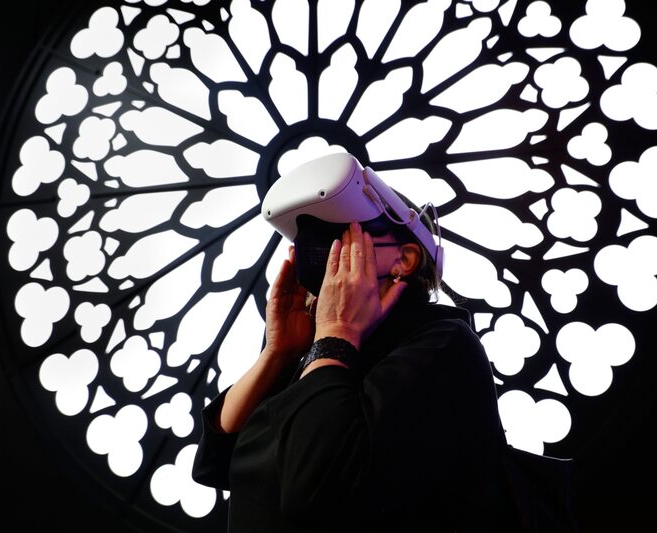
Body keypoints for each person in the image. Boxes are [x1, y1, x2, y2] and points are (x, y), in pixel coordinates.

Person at [191, 154, 535, 532]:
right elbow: (217, 461)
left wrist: (337, 332)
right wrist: (277, 353)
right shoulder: (312, 354)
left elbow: (319, 492)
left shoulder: (442, 343)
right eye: (308, 243)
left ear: (404, 258)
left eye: (343, 237)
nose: (322, 255)